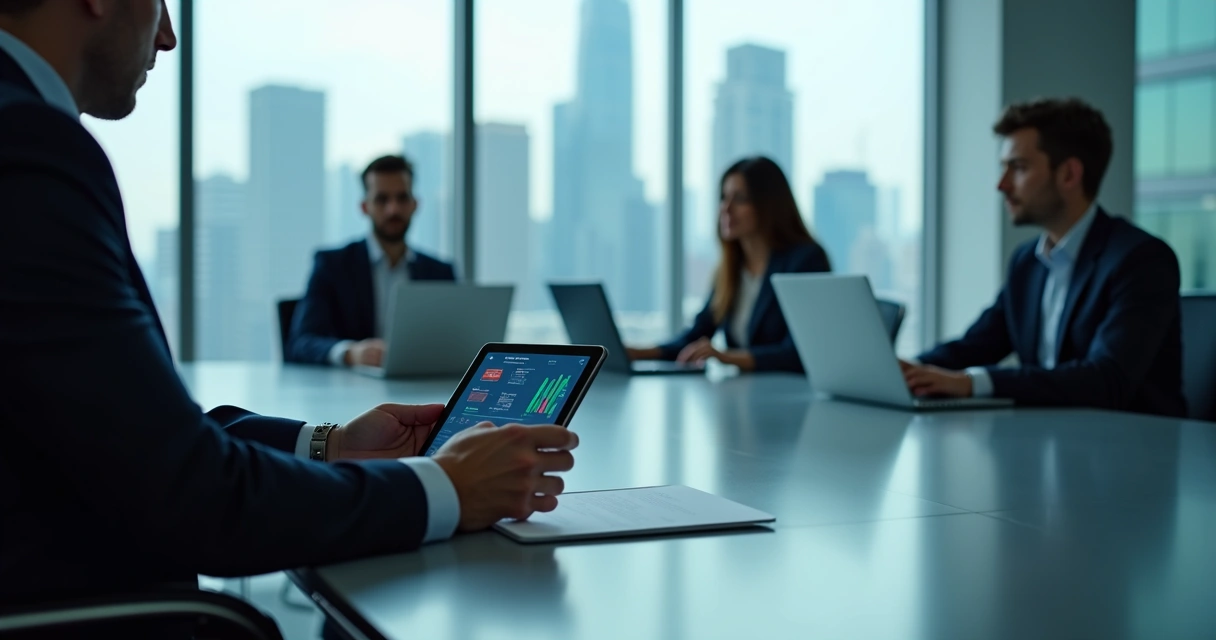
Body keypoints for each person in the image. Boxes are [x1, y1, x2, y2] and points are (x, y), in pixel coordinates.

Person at [0, 0, 577, 619]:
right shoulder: (28, 145)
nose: (168, 36)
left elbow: (137, 436)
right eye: (162, 2)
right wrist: (448, 488)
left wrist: (330, 443)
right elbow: (194, 495)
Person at [902, 98, 1186, 417]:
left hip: (1134, 453)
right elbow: (975, 346)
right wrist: (906, 371)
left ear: (1069, 174)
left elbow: (1107, 380)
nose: (1001, 185)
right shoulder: (1027, 261)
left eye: (1018, 168)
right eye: (1003, 168)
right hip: (1051, 444)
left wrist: (971, 383)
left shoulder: (1140, 260)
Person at [627, 156, 831, 373]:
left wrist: (726, 357)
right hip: (743, 393)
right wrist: (636, 353)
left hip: (789, 394)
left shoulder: (806, 260)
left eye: (740, 199)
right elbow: (696, 336)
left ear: (768, 205)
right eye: (724, 198)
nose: (726, 208)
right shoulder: (730, 268)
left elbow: (798, 352)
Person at [287, 154, 456, 367]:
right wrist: (350, 353)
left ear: (415, 204)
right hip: (350, 392)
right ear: (364, 206)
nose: (393, 209)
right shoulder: (332, 265)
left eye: (402, 198)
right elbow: (301, 342)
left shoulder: (440, 273)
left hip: (421, 391)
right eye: (382, 199)